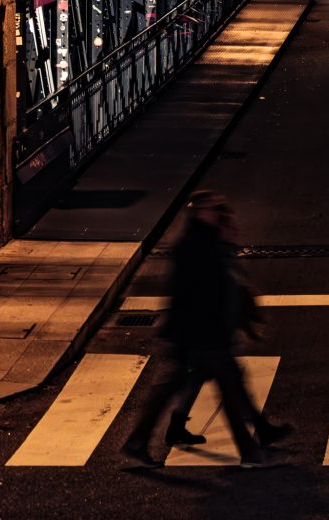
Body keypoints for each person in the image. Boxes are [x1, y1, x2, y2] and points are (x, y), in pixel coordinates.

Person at [122, 192, 288, 467]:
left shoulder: (204, 241)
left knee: (194, 387)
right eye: (213, 209)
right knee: (228, 388)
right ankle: (250, 449)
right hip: (201, 334)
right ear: (199, 212)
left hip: (200, 333)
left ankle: (139, 440)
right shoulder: (195, 246)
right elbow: (200, 294)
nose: (218, 213)